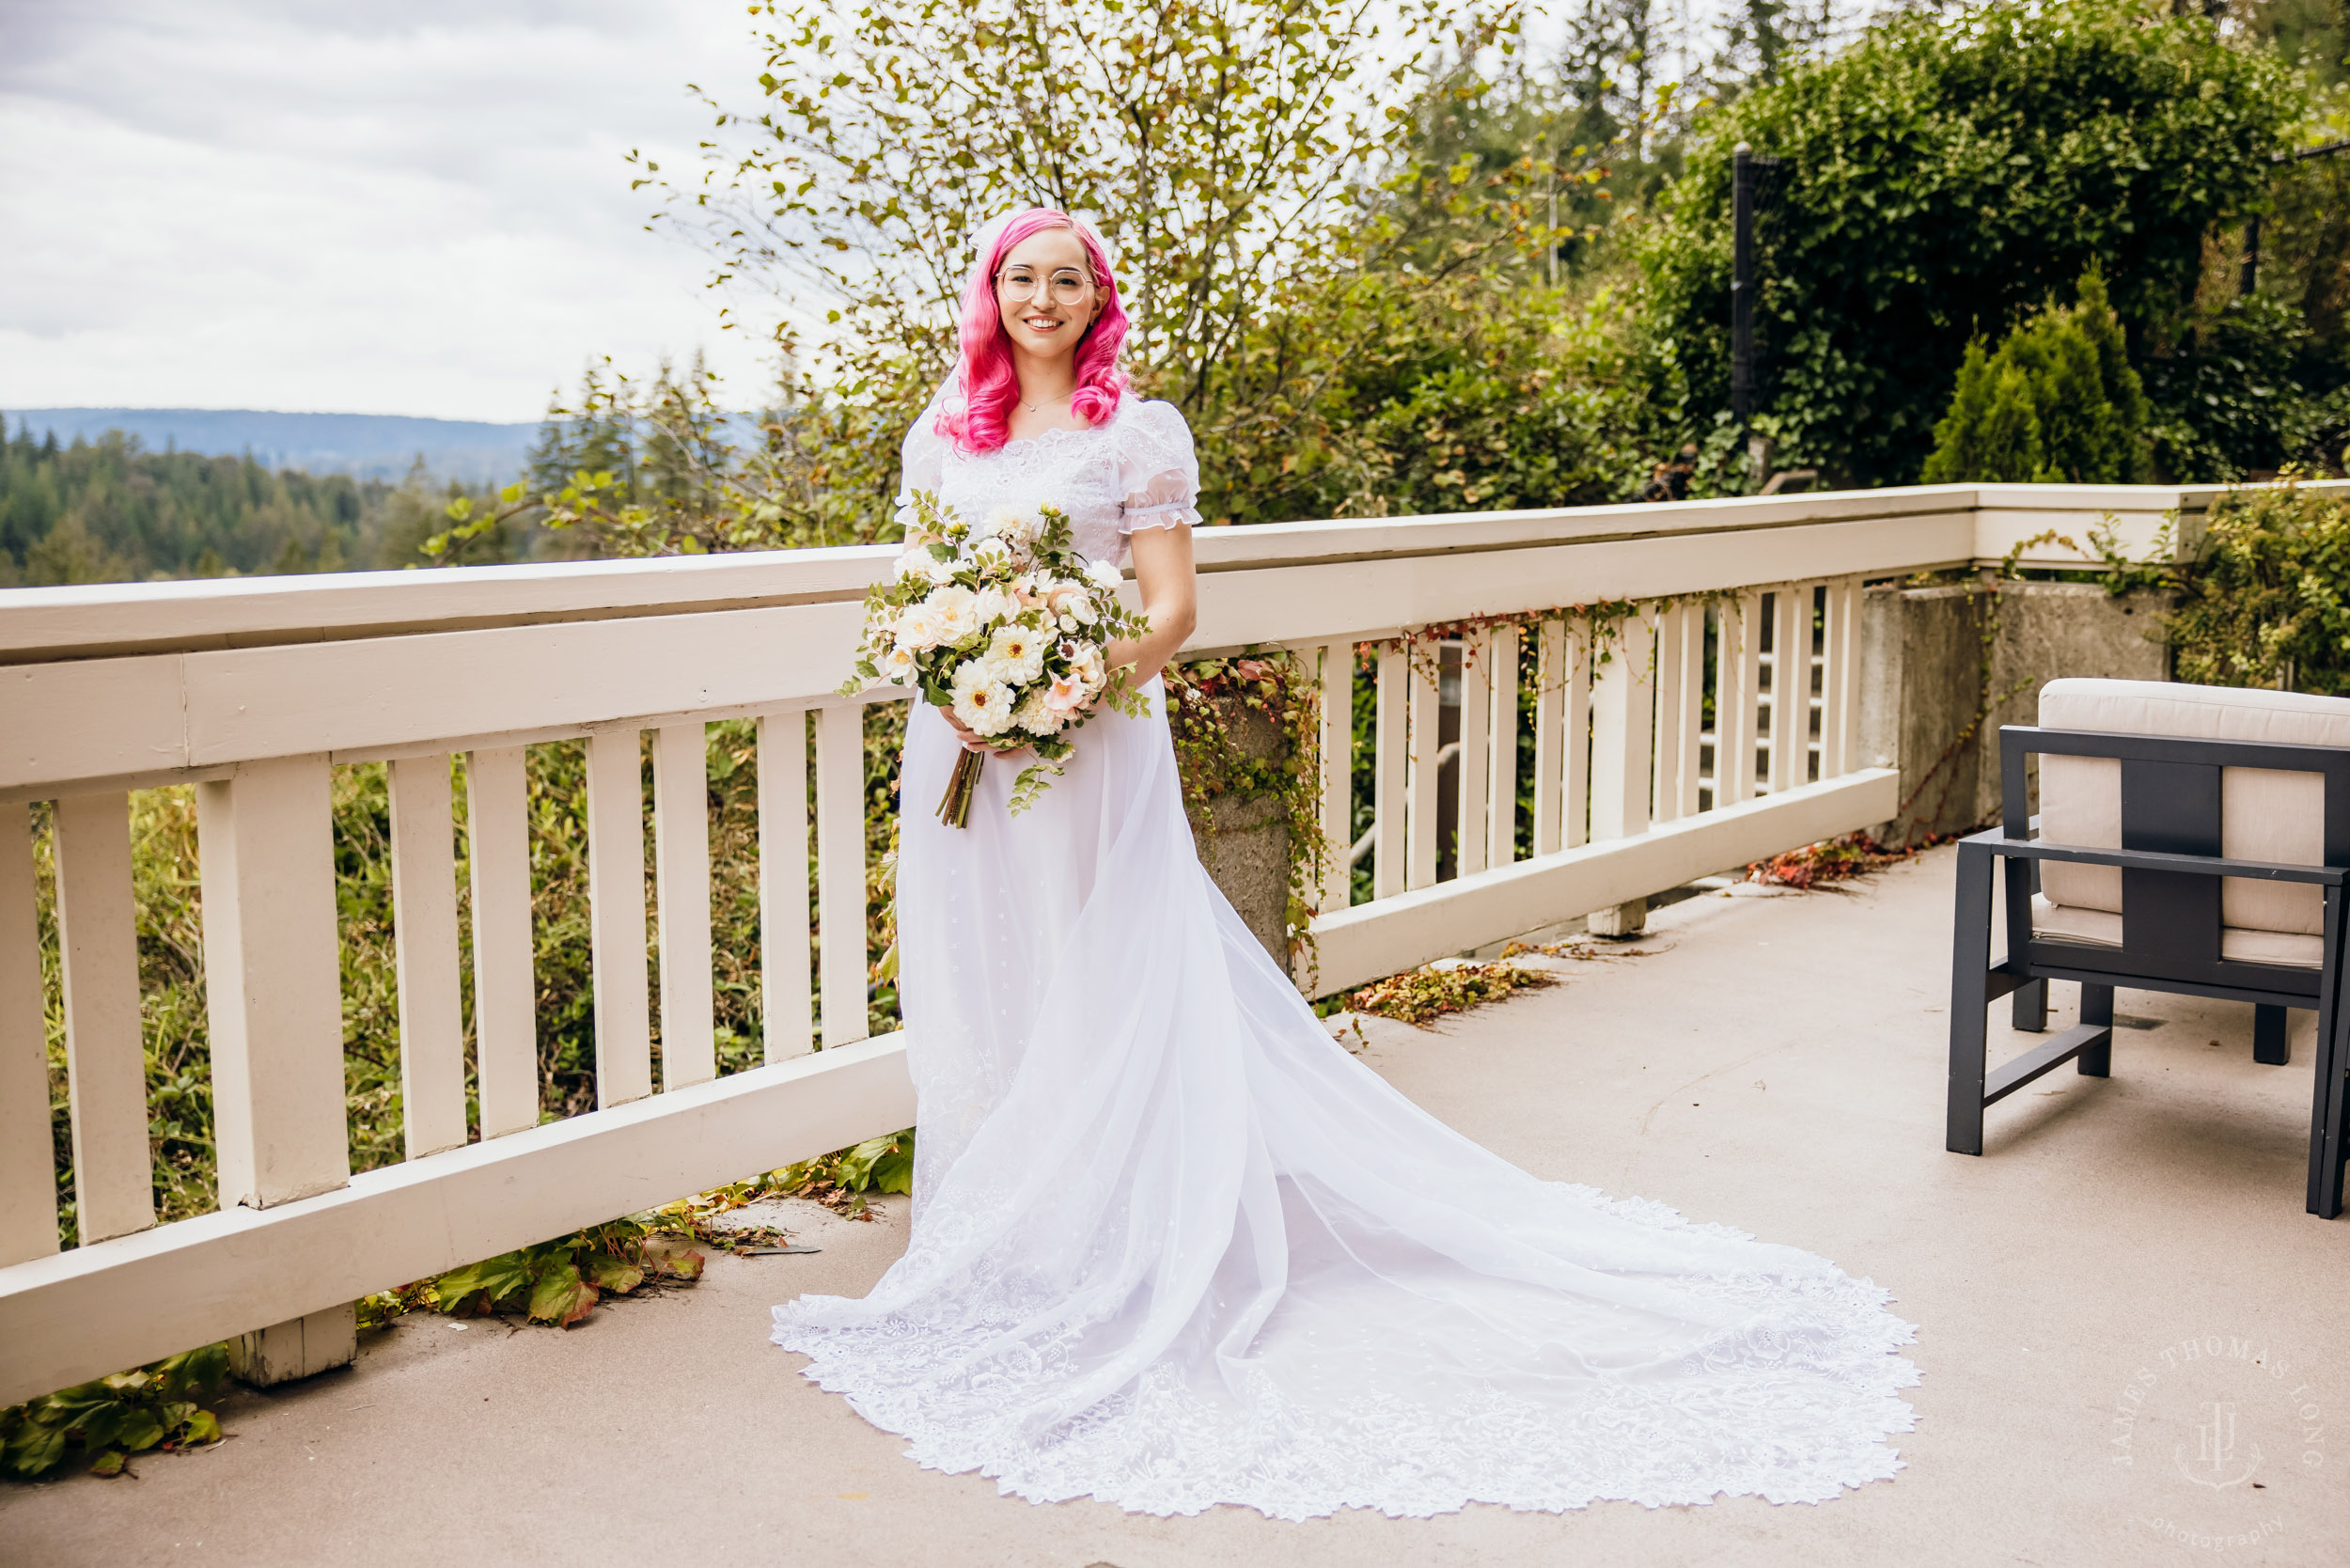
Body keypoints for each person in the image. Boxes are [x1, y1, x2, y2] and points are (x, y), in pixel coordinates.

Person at [771, 207, 1919, 1521]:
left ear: (1099, 300)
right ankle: (1006, 1234)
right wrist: (962, 684)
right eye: (1020, 278)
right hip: (958, 747)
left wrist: (1066, 689)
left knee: (1107, 968)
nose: (1042, 297)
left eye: (1067, 280)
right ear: (988, 293)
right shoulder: (941, 433)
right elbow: (924, 587)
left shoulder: (1136, 433)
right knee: (986, 969)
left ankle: (1118, 1235)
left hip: (1088, 743)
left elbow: (1173, 607)